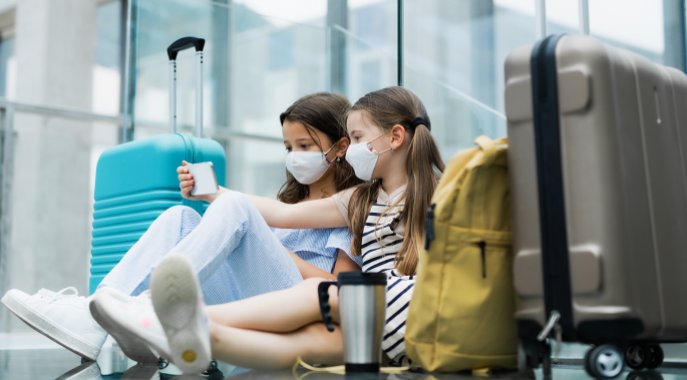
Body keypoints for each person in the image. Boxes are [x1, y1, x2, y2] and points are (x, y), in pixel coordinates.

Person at [89, 86, 445, 373]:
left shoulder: (431, 198)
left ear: (395, 136)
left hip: (371, 312)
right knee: (180, 218)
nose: (350, 149)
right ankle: (138, 320)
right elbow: (283, 213)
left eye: (355, 138)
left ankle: (162, 317)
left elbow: (338, 283)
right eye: (289, 147)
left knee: (313, 298)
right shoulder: (363, 199)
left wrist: (235, 209)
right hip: (356, 317)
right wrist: (215, 194)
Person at [1, 92, 362, 364]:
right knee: (181, 217)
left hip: (297, 308)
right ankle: (97, 311)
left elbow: (344, 292)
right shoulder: (287, 204)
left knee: (233, 204)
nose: (294, 155)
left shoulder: (350, 208)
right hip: (254, 298)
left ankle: (147, 313)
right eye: (288, 146)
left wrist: (271, 245)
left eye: (304, 145)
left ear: (340, 146)